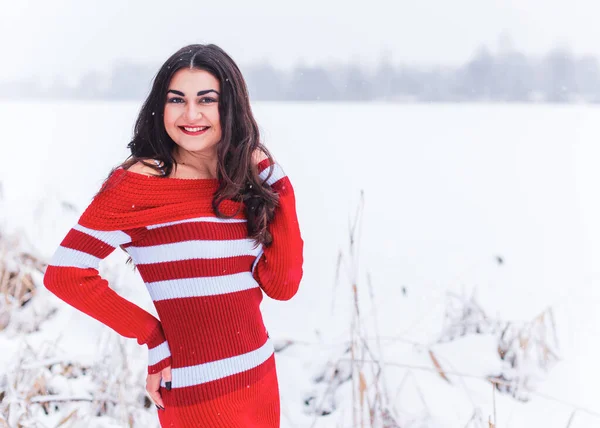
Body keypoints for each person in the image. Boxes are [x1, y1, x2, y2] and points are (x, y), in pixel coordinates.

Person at [43, 44, 304, 427]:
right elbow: (66, 274)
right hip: (197, 394)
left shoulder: (237, 179)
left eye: (207, 100)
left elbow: (281, 285)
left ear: (229, 107)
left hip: (259, 377)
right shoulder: (138, 184)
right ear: (160, 107)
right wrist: (152, 335)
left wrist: (273, 178)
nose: (191, 114)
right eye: (177, 99)